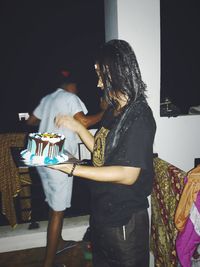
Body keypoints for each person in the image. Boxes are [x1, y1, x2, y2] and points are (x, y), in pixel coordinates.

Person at [49, 39, 157, 267]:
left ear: (117, 73)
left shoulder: (140, 116)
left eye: (101, 74)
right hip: (102, 214)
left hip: (124, 221)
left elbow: (128, 174)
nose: (99, 83)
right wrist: (78, 127)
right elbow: (100, 152)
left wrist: (73, 169)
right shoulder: (114, 111)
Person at [27, 70, 106, 267]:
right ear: (72, 86)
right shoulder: (71, 98)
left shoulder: (47, 98)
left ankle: (59, 241)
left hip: (40, 152)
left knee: (53, 202)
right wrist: (106, 110)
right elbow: (85, 122)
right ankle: (48, 262)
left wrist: (49, 119)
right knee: (57, 210)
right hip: (57, 157)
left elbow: (30, 121)